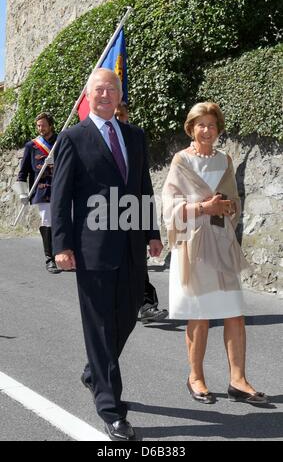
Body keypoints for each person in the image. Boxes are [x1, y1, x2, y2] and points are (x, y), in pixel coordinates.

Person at [51, 68, 163, 441]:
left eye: (111, 89)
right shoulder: (72, 138)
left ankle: (94, 372)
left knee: (128, 315)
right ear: (88, 96)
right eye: (98, 89)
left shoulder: (134, 135)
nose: (105, 95)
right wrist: (61, 245)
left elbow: (143, 185)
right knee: (99, 326)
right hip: (92, 249)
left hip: (132, 246)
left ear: (118, 95)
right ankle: (112, 410)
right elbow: (61, 195)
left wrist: (152, 233)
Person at [162, 101, 267, 405]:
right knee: (200, 315)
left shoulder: (226, 160)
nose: (206, 130)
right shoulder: (181, 161)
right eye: (200, 125)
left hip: (221, 243)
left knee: (234, 312)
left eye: (211, 125)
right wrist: (203, 208)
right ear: (191, 128)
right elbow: (169, 208)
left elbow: (234, 201)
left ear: (218, 129)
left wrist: (227, 207)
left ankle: (238, 380)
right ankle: (196, 378)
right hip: (193, 247)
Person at [115, 102, 168, 324]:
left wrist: (152, 233)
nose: (117, 119)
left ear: (127, 116)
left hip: (133, 213)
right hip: (102, 216)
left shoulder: (135, 140)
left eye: (121, 115)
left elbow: (144, 186)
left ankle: (147, 305)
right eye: (114, 115)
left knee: (138, 264)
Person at [16, 112, 60, 274]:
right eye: (38, 126)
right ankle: (50, 259)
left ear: (50, 125)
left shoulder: (60, 141)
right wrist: (22, 193)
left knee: (64, 222)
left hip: (61, 188)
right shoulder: (32, 146)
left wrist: (56, 161)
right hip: (43, 190)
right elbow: (23, 172)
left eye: (43, 125)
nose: (40, 128)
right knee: (47, 222)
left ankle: (66, 254)